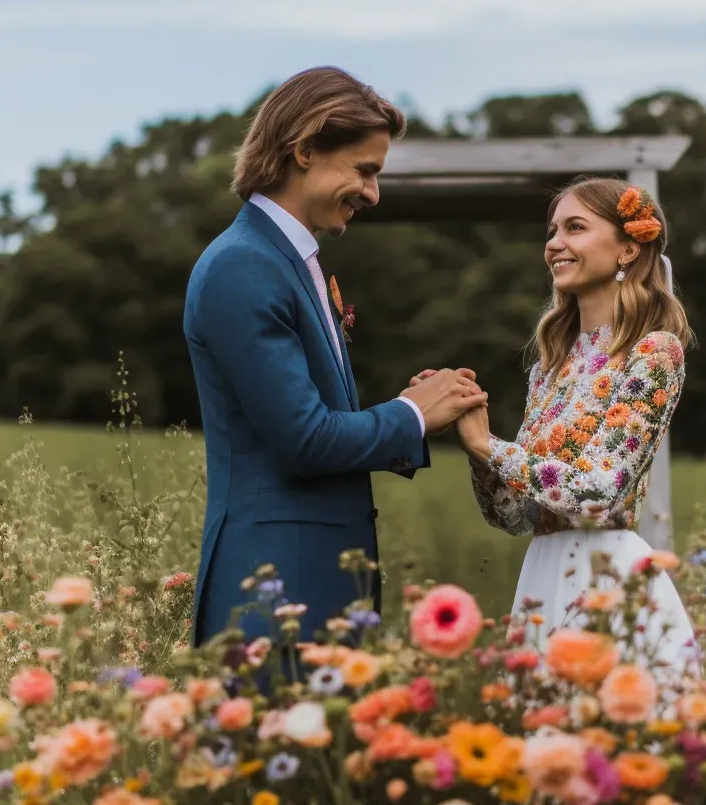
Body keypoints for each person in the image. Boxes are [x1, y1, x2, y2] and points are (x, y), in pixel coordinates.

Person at [184, 66, 487, 647]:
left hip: (310, 581)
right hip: (272, 587)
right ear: (303, 150)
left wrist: (417, 407)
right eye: (364, 170)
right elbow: (305, 440)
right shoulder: (243, 266)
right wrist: (414, 413)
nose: (373, 193)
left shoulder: (289, 263)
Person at [454, 177, 698, 678]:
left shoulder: (654, 352)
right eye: (552, 230)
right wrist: (473, 442)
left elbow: (596, 496)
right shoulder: (551, 367)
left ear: (628, 248)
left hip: (606, 574)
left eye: (576, 228)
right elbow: (516, 517)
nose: (554, 243)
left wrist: (491, 446)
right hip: (542, 578)